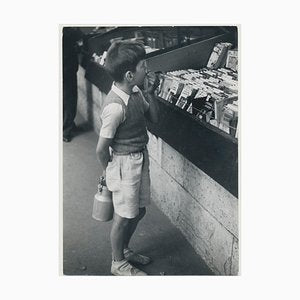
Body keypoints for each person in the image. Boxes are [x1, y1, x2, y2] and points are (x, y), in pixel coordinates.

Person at [96, 40, 160, 276]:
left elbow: (153, 117)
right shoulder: (114, 107)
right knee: (123, 217)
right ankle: (117, 262)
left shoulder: (134, 91)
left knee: (138, 211)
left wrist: (150, 93)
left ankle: (124, 249)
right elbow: (101, 149)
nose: (148, 69)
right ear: (131, 74)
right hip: (123, 165)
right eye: (145, 66)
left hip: (139, 159)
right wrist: (110, 173)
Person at [63, 27, 83, 142]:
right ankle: (66, 130)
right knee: (70, 97)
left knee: (63, 97)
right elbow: (76, 34)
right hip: (67, 66)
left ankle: (66, 123)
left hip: (63, 64)